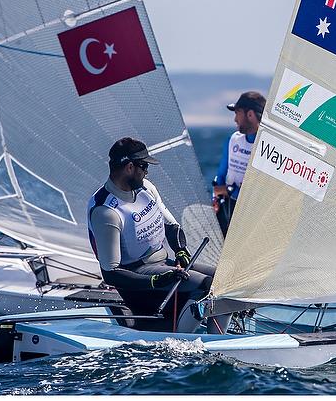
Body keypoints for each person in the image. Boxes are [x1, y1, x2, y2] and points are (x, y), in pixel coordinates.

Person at [87, 137, 230, 334]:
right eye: (144, 166)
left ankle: (219, 341)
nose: (147, 171)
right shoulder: (106, 211)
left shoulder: (146, 188)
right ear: (129, 167)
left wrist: (181, 251)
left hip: (164, 264)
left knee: (226, 279)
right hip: (139, 279)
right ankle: (181, 344)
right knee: (206, 287)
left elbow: (172, 226)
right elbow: (111, 274)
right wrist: (156, 281)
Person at [212, 91, 266, 234]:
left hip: (251, 215)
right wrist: (217, 195)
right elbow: (221, 174)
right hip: (227, 207)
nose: (235, 119)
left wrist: (230, 190)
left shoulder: (266, 147)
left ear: (250, 115)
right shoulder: (234, 139)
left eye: (237, 113)